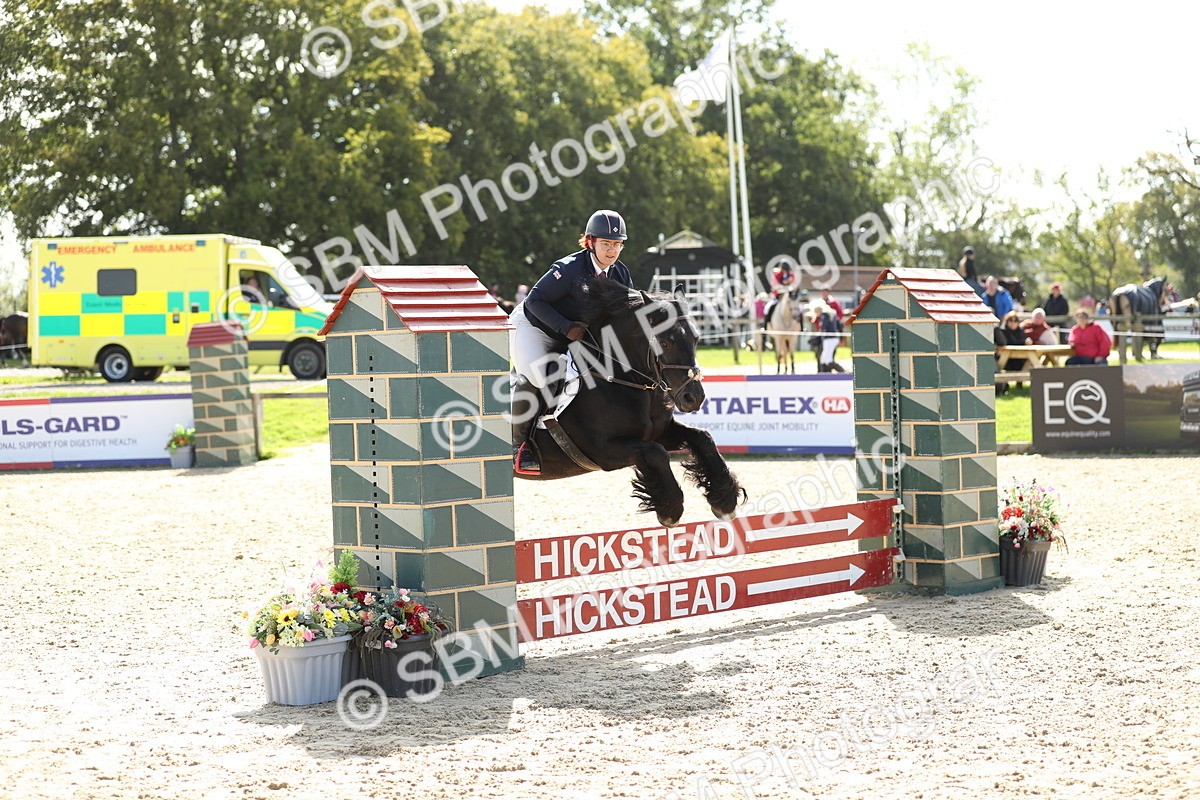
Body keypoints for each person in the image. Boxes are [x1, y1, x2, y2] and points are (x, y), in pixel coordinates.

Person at [509, 209, 635, 474]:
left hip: (574, 332)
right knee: (537, 375)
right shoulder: (568, 269)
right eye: (606, 244)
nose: (612, 251)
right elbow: (534, 301)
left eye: (617, 244)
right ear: (590, 242)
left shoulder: (620, 275)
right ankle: (519, 445)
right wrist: (565, 327)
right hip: (533, 325)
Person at [762, 261, 797, 333]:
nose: (785, 271)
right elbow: (774, 285)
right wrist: (781, 289)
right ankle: (765, 326)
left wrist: (791, 287)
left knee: (798, 309)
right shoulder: (777, 275)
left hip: (789, 296)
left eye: (786, 269)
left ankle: (801, 327)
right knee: (768, 307)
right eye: (784, 269)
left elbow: (794, 284)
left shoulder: (791, 275)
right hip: (779, 296)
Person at [809, 303, 845, 373]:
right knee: (823, 359)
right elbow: (839, 326)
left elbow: (823, 327)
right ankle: (825, 374)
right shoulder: (832, 314)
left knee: (828, 360)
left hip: (829, 339)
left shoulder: (824, 315)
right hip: (833, 338)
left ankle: (843, 372)